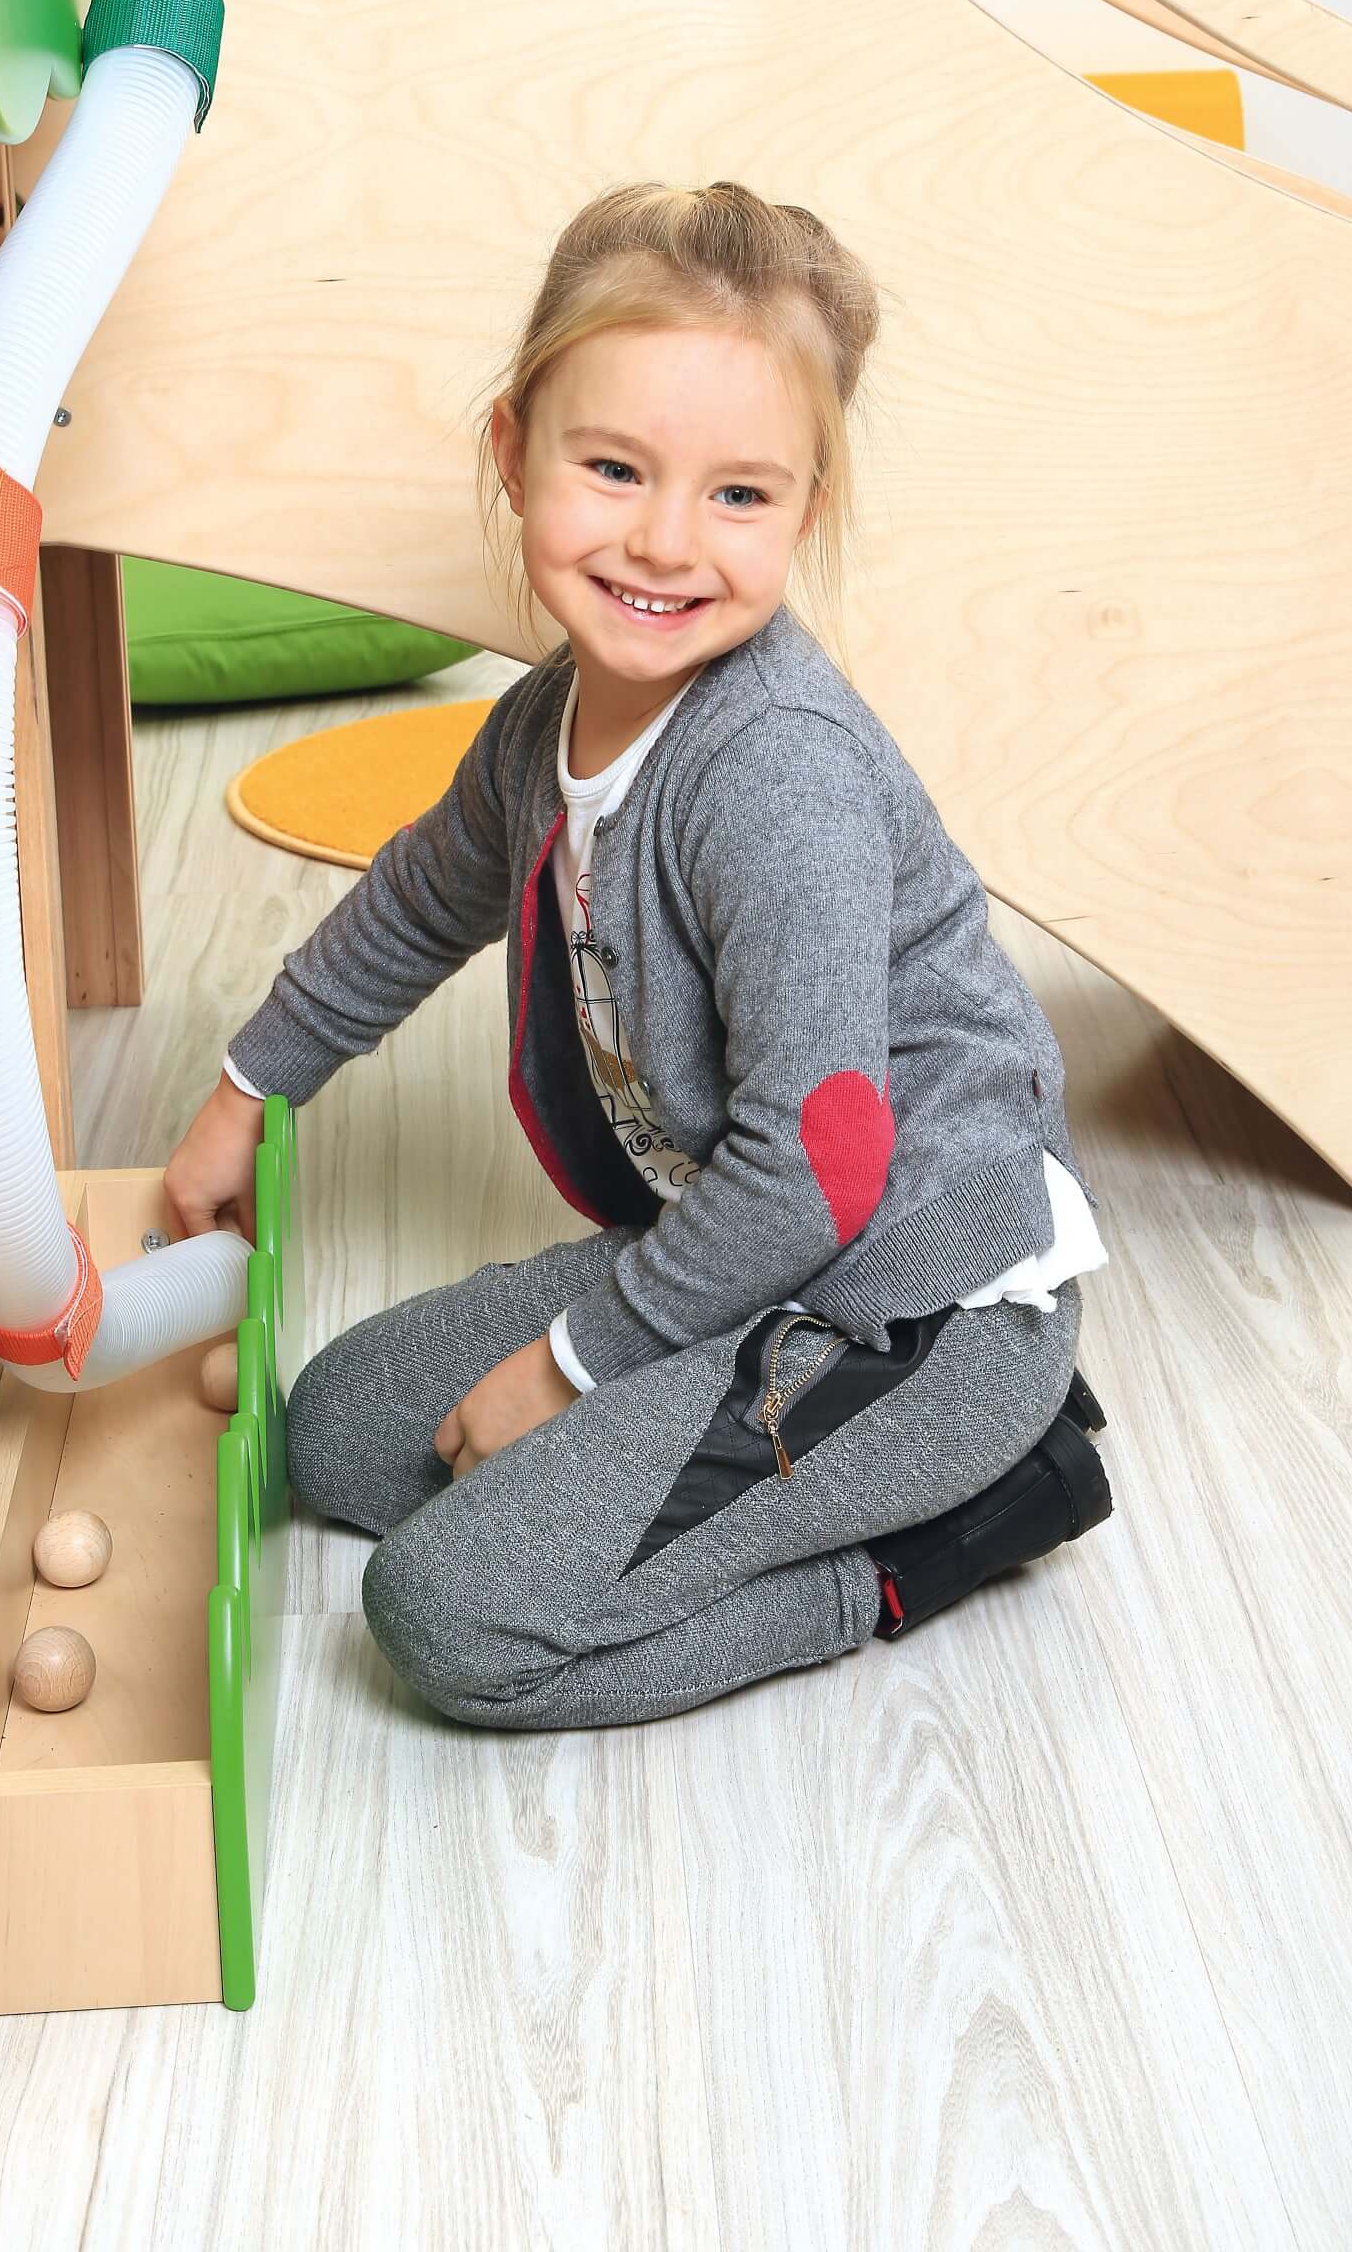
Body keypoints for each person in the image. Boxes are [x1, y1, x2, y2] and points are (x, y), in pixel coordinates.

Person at [164, 180, 1113, 1730]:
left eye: (741, 496)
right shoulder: (548, 719)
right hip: (751, 1249)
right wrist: (243, 1091)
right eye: (614, 469)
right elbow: (420, 901)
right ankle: (675, 1385)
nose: (666, 543)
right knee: (338, 1436)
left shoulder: (772, 775)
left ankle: (925, 1539)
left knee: (446, 1620)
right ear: (512, 452)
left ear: (808, 507)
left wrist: (572, 1364)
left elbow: (817, 1174)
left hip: (909, 1311)